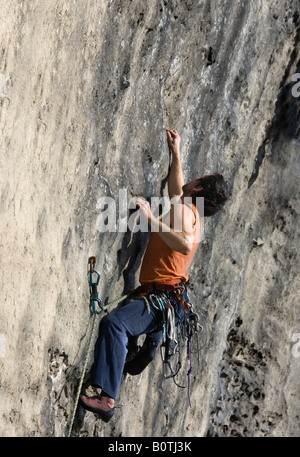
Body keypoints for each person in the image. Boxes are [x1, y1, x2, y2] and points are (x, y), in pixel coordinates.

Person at [79, 129, 229, 422]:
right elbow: (176, 190)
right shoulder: (191, 211)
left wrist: (149, 219)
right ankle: (150, 342)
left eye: (197, 179)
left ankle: (107, 398)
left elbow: (184, 244)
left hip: (160, 295)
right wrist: (176, 154)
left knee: (114, 325)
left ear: (198, 188)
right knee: (133, 325)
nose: (191, 180)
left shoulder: (185, 214)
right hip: (169, 297)